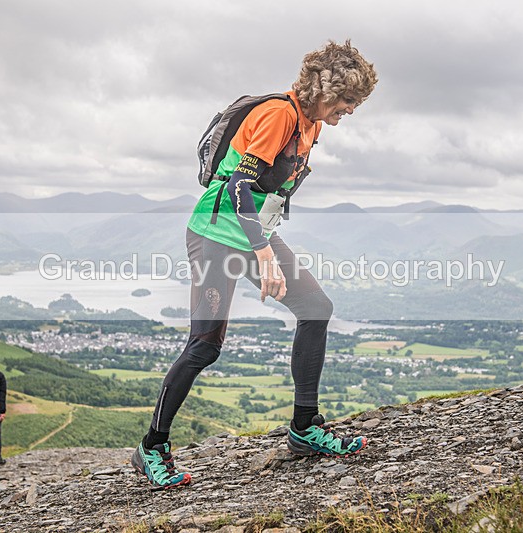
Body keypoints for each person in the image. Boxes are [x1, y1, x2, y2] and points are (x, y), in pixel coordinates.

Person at [132, 40, 378, 489]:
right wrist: (264, 254)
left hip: (253, 235)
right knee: (205, 345)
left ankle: (304, 428)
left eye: (356, 102)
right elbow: (242, 186)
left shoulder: (310, 126)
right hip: (215, 236)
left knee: (316, 309)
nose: (351, 109)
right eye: (348, 99)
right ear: (326, 89)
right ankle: (152, 445)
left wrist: (264, 244)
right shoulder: (279, 115)